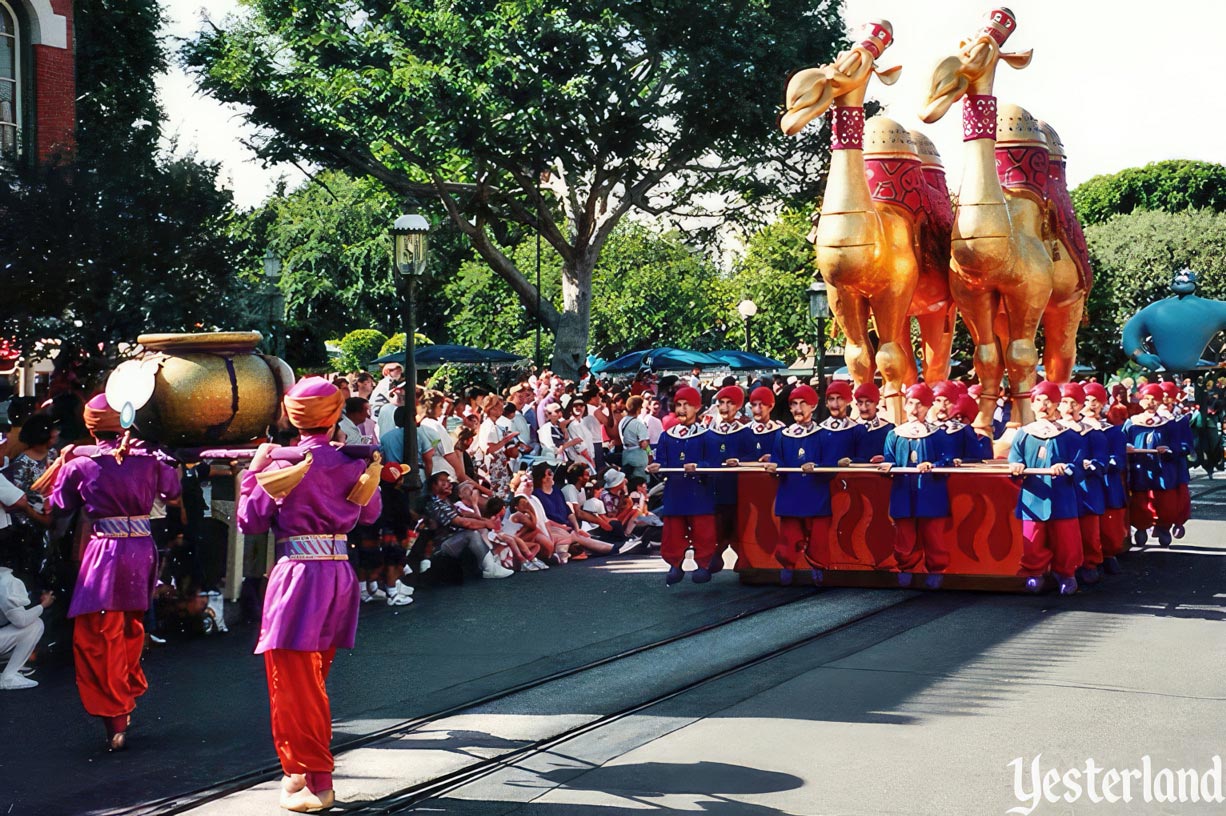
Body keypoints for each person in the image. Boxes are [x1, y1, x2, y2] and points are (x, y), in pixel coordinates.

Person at [237, 377, 384, 811]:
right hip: (339, 575)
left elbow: (249, 522)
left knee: (293, 679)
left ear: (289, 416)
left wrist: (253, 472)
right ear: (335, 414)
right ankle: (298, 769)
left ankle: (316, 777)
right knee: (311, 679)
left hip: (298, 576)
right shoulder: (351, 462)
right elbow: (371, 512)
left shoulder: (280, 462)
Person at [49, 395, 181, 751]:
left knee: (97, 634)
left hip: (106, 550)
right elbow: (173, 491)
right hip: (141, 548)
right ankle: (124, 699)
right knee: (129, 627)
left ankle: (116, 715)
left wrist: (65, 464)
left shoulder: (81, 463)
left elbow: (59, 505)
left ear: (91, 427)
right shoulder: (150, 460)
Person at [1008, 381, 1082, 595]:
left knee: (1066, 540)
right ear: (1031, 405)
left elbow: (1079, 464)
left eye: (1048, 400)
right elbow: (1015, 459)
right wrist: (1016, 467)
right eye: (1038, 400)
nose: (1043, 405)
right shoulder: (1023, 434)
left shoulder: (1068, 435)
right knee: (1032, 540)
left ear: (1057, 404)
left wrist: (1066, 468)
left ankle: (1066, 574)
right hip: (1033, 497)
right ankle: (1034, 572)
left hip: (1062, 497)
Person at [880, 383, 955, 588]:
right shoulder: (894, 434)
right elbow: (890, 459)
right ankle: (907, 568)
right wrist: (888, 468)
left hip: (931, 494)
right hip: (903, 492)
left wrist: (934, 465)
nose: (914, 409)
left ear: (928, 406)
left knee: (933, 535)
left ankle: (936, 570)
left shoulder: (938, 434)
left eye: (920, 404)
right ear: (904, 405)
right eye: (911, 403)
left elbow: (948, 459)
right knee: (904, 535)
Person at [646, 386, 720, 585]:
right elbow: (662, 460)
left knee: (703, 530)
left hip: (700, 493)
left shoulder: (708, 436)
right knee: (673, 531)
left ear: (697, 408)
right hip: (675, 492)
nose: (682, 409)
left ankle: (703, 564)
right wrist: (657, 466)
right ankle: (674, 563)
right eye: (679, 405)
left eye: (687, 405)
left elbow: (714, 463)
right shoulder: (667, 436)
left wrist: (699, 467)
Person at [765, 385, 828, 585]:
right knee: (789, 535)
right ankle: (787, 566)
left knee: (817, 537)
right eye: (794, 404)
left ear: (813, 406)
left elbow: (830, 462)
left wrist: (817, 466)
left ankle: (818, 566)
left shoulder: (823, 434)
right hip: (790, 494)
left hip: (816, 495)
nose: (798, 409)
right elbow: (778, 457)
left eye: (803, 404)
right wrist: (775, 466)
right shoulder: (783, 434)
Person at [1056, 383, 1107, 585]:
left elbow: (1102, 460)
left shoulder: (1092, 432)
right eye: (1064, 402)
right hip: (1061, 489)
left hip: (1086, 488)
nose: (1069, 407)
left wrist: (1092, 465)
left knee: (1089, 532)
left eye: (1074, 403)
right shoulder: (1050, 431)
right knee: (1065, 533)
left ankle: (1090, 563)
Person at [1123, 383, 1180, 548]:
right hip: (1140, 469)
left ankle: (1163, 527)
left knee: (1165, 502)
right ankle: (1141, 527)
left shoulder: (1168, 423)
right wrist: (1126, 447)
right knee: (1141, 500)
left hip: (1163, 469)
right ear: (1141, 401)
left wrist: (1168, 449)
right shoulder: (1132, 423)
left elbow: (1178, 445)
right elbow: (1121, 441)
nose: (1150, 402)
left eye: (1154, 399)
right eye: (1147, 399)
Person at [1081, 383, 1127, 575]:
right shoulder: (1073, 430)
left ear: (1103, 404)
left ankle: (1109, 553)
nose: (1090, 405)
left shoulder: (1113, 430)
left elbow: (1119, 458)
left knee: (1110, 524)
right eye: (1086, 401)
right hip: (1086, 482)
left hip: (1107, 480)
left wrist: (1106, 464)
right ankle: (1088, 560)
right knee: (1087, 523)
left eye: (1095, 401)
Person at [707, 385, 751, 574]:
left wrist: (740, 462)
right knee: (717, 523)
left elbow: (752, 457)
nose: (724, 407)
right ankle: (716, 553)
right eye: (721, 403)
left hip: (738, 488)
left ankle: (742, 557)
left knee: (738, 524)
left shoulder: (745, 432)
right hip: (716, 487)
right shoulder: (708, 432)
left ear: (738, 407)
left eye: (730, 403)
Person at [0, 560, 51, 690]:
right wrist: (43, 605)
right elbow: (21, 620)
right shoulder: (7, 582)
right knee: (35, 624)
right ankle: (8, 677)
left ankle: (7, 658)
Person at [853, 382, 891, 462]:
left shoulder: (888, 429)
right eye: (860, 403)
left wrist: (885, 459)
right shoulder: (851, 429)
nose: (864, 408)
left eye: (868, 403)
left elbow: (895, 457)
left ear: (877, 403)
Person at [619, 396, 652, 481]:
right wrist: (650, 452)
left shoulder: (622, 421)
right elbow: (644, 444)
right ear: (638, 408)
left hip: (626, 455)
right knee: (641, 482)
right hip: (639, 458)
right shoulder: (639, 424)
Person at [747, 386, 784, 462]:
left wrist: (773, 458)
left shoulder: (780, 432)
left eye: (761, 405)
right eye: (754, 405)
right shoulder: (744, 431)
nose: (757, 409)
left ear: (770, 406)